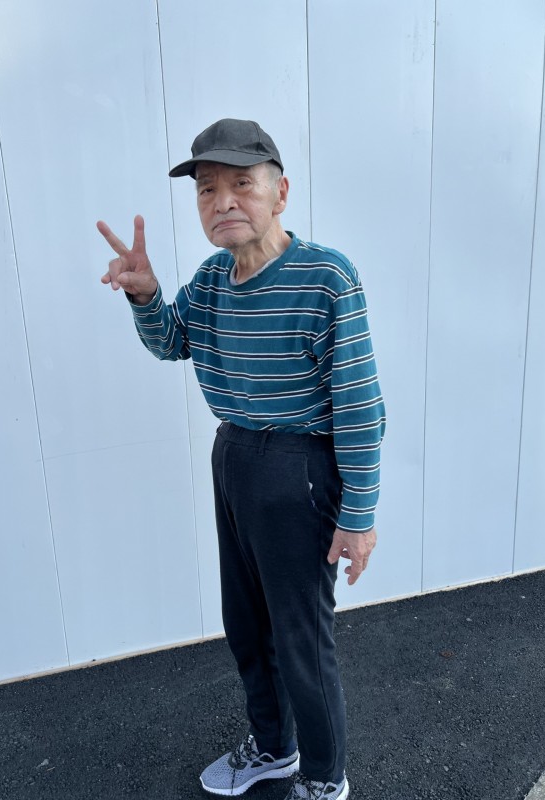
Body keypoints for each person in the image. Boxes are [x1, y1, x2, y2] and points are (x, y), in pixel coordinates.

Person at [97, 118, 385, 800]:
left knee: (301, 639)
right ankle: (274, 748)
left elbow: (359, 404)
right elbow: (172, 342)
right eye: (207, 189)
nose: (222, 200)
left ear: (280, 192)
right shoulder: (212, 279)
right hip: (234, 458)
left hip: (299, 468)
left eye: (241, 184)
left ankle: (325, 780)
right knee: (248, 625)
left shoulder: (326, 277)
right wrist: (145, 294)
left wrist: (359, 515)